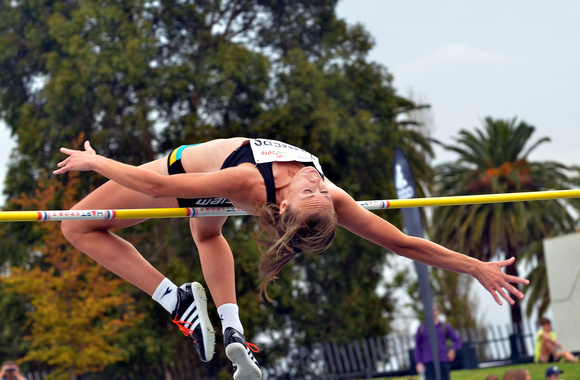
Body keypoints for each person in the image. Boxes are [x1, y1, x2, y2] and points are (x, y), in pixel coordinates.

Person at [53, 137, 530, 380]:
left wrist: (97, 162)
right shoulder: (327, 197)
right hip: (216, 192)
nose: (317, 183)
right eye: (319, 187)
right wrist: (475, 265)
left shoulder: (249, 183)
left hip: (186, 173)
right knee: (206, 236)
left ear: (282, 205)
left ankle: (176, 302)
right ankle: (230, 326)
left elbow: (158, 186)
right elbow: (404, 243)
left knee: (76, 227)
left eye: (313, 189)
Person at [414, 304, 462, 380]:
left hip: (443, 361)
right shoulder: (422, 328)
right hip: (428, 363)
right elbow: (417, 346)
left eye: (432, 310)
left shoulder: (445, 326)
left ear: (437, 312)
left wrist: (453, 350)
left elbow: (457, 340)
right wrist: (419, 362)